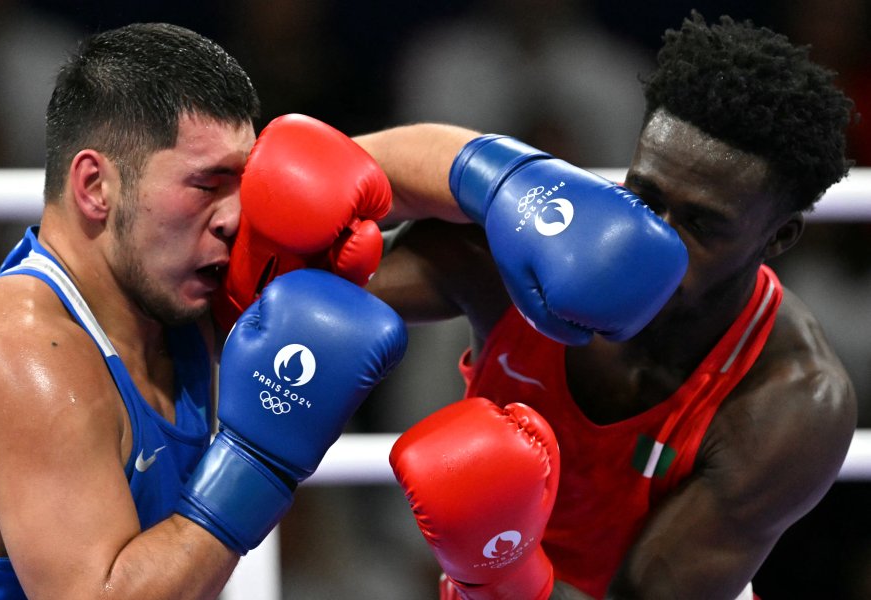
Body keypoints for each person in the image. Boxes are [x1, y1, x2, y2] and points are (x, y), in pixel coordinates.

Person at [356, 11, 858, 599]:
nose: (660, 242)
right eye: (645, 196)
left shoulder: (790, 402)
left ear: (777, 238)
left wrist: (503, 571)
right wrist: (483, 175)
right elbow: (308, 261)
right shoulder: (533, 254)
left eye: (701, 224)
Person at [0, 23, 407, 599]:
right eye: (207, 184)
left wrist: (502, 183)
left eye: (244, 184)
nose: (234, 218)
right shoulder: (18, 345)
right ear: (96, 186)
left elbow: (416, 247)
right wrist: (259, 462)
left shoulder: (180, 293)